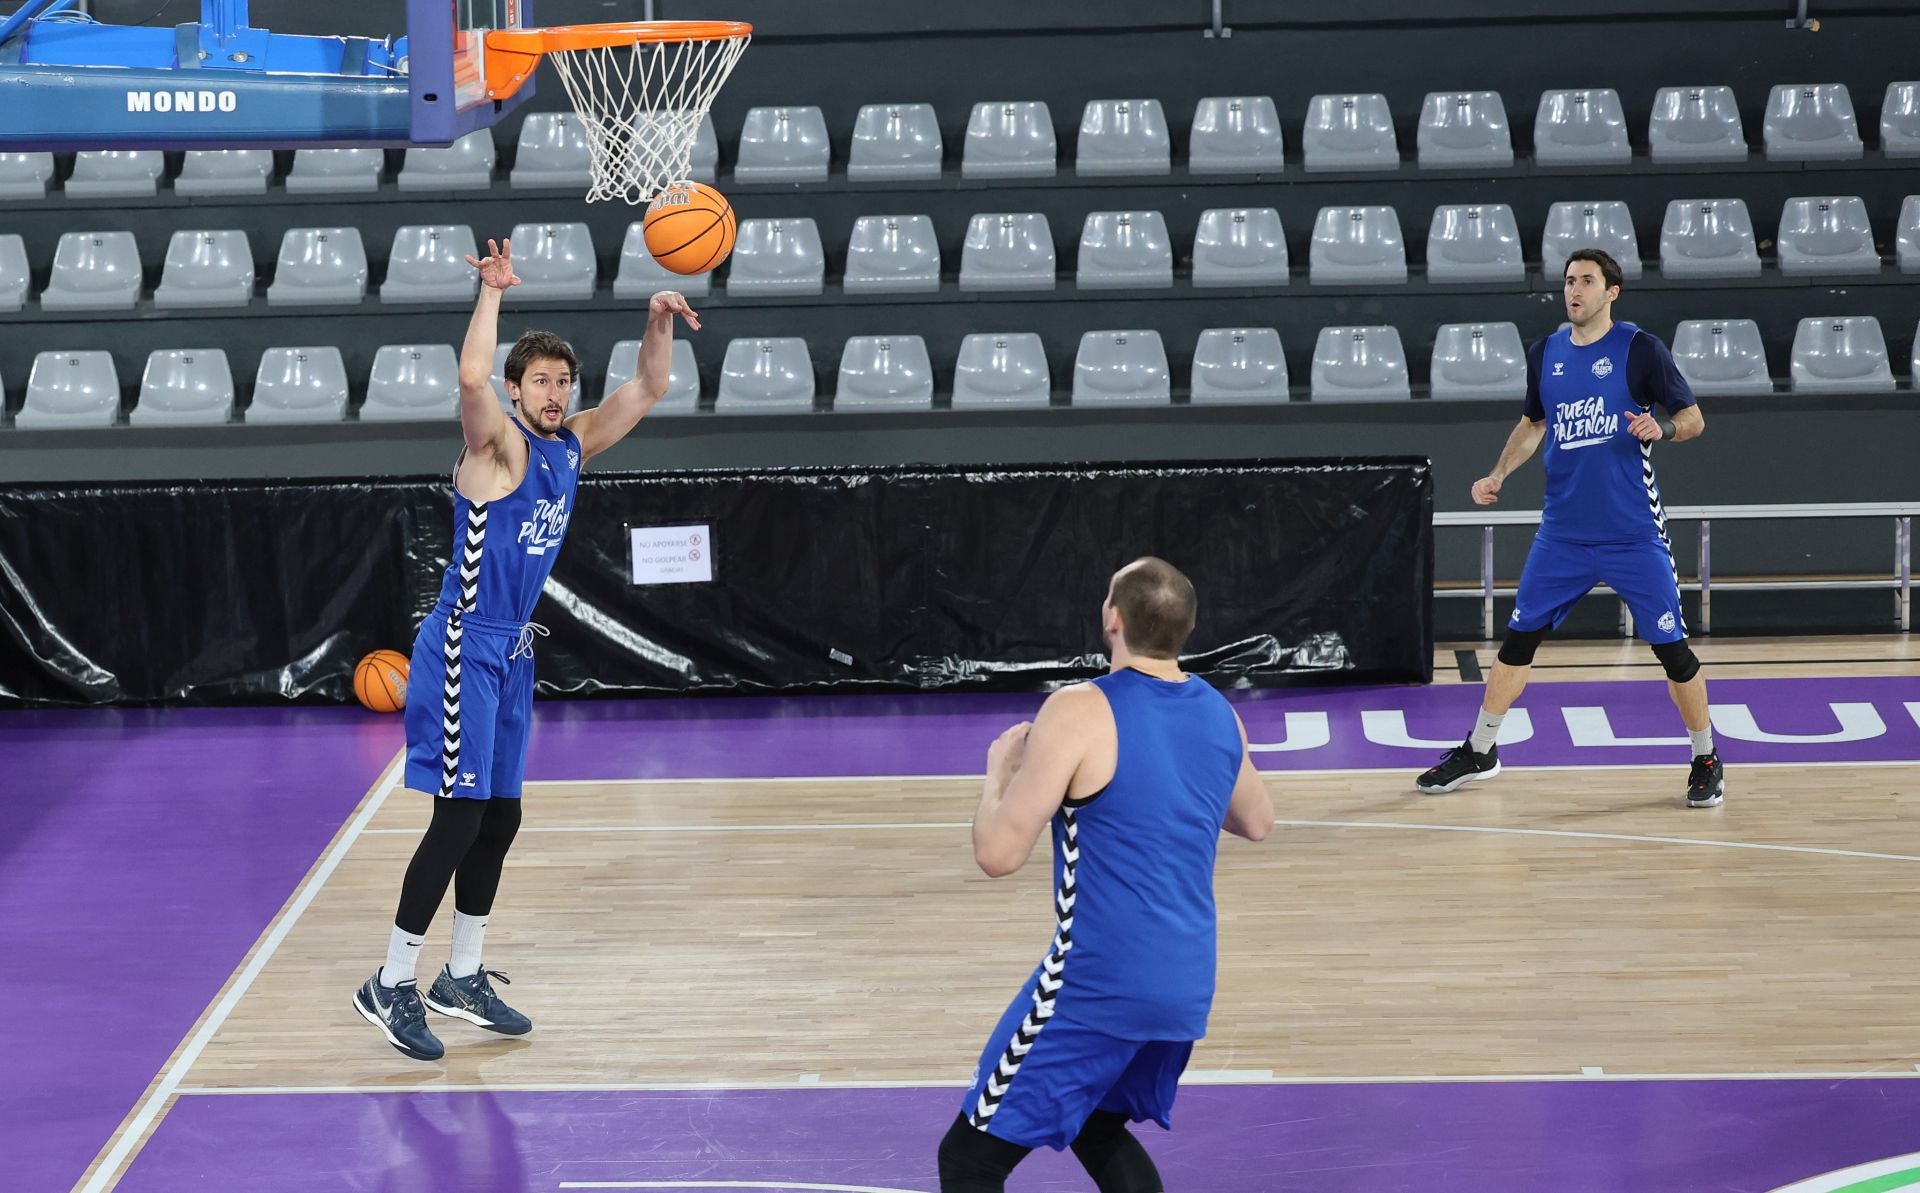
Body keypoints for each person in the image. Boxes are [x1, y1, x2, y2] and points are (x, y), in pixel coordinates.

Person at [352, 238, 700, 1060]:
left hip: (512, 655)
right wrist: (493, 295)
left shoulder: (571, 446)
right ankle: (390, 981)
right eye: (540, 381)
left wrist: (658, 321)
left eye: (562, 381)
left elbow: (650, 386)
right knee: (459, 817)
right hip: (463, 646)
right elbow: (470, 379)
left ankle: (460, 975)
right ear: (517, 392)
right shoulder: (495, 448)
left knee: (501, 817)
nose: (555, 392)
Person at [939, 557, 1276, 1193]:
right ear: (1187, 627)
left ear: (1112, 618)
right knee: (1096, 1125)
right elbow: (1257, 821)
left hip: (1099, 981)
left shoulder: (1080, 708)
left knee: (968, 1160)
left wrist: (998, 776)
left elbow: (997, 853)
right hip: (1185, 981)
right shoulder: (1217, 712)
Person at [1416, 247, 1724, 808]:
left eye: (1586, 280)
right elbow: (1534, 423)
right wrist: (1498, 472)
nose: (1573, 290)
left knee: (1671, 650)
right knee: (1518, 640)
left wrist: (1665, 427)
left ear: (1612, 292)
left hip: (1632, 533)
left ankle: (1705, 756)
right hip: (1561, 534)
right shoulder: (1547, 353)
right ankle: (1480, 750)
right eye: (1568, 281)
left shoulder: (1640, 350)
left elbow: (1694, 418)